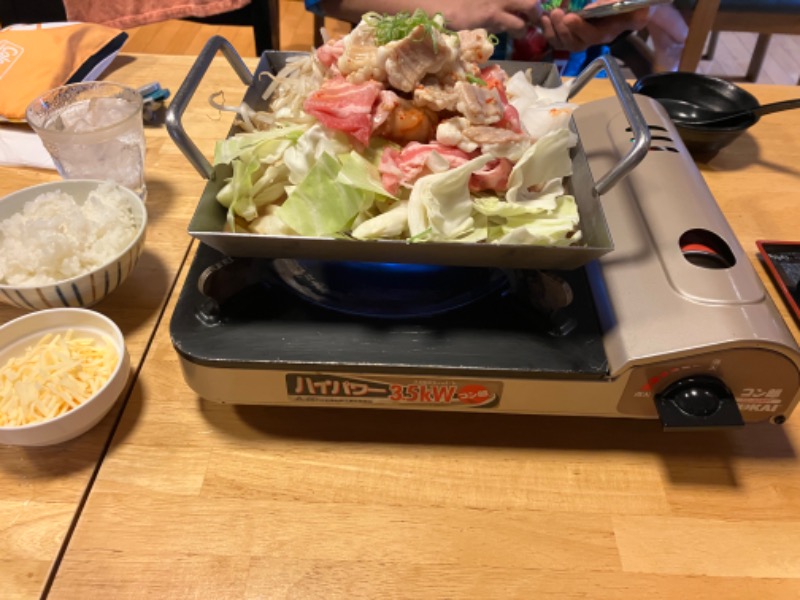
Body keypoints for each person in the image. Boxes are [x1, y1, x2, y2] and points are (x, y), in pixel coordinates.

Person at [308, 0, 650, 53]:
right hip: (403, 65)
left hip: (560, 79)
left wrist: (621, 14)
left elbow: (639, 12)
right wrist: (449, 7)